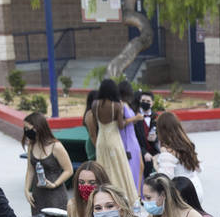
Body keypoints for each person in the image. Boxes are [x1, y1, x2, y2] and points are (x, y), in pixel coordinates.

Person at [84, 80, 142, 208]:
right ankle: (122, 199)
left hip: (101, 141)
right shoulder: (116, 105)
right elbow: (121, 126)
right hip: (114, 140)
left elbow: (94, 123)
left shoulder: (95, 104)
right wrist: (132, 119)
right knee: (120, 169)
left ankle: (104, 198)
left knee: (104, 169)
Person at [21, 113, 73, 216]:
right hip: (38, 193)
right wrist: (26, 189)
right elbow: (30, 170)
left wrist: (55, 184)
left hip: (55, 194)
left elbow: (69, 170)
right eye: (24, 128)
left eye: (28, 128)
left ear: (37, 127)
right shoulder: (32, 145)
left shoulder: (56, 146)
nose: (26, 131)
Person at [154, 111, 204, 200]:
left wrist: (155, 164)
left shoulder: (167, 151)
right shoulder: (187, 144)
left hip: (182, 193)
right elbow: (199, 168)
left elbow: (165, 177)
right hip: (196, 188)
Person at [117, 80, 145, 197]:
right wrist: (135, 118)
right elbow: (121, 123)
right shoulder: (120, 104)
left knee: (139, 165)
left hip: (132, 137)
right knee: (134, 166)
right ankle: (134, 194)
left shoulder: (126, 104)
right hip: (127, 139)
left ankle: (138, 192)